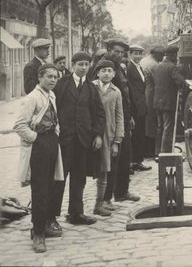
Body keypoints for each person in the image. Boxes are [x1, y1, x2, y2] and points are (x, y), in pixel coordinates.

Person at [48, 52, 106, 231]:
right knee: (59, 178)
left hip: (83, 140)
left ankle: (76, 213)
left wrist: (97, 135)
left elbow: (99, 113)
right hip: (64, 141)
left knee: (79, 178)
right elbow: (51, 107)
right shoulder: (62, 84)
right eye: (80, 64)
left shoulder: (91, 88)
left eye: (86, 64)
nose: (83, 67)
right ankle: (51, 217)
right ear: (73, 65)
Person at [13, 63, 64, 253]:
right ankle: (38, 232)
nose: (53, 80)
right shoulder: (32, 98)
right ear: (39, 77)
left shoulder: (51, 95)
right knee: (40, 190)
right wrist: (36, 139)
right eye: (49, 77)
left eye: (55, 77)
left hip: (51, 143)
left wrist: (55, 134)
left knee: (51, 187)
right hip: (39, 146)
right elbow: (19, 125)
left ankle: (45, 226)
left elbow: (54, 119)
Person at [104, 38, 140, 202]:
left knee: (126, 156)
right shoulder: (103, 68)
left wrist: (130, 115)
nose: (119, 55)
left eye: (121, 52)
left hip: (124, 118)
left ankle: (122, 192)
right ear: (109, 50)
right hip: (111, 121)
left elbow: (126, 93)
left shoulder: (120, 68)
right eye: (116, 52)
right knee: (112, 159)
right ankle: (106, 196)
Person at [92, 59, 124, 215]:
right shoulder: (91, 87)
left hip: (108, 135)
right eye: (103, 70)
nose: (106, 73)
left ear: (114, 74)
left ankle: (100, 203)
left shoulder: (116, 92)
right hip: (91, 133)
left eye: (109, 71)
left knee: (105, 168)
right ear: (97, 73)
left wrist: (117, 140)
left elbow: (119, 117)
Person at [153, 46, 185, 156]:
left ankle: (158, 152)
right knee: (168, 128)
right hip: (168, 103)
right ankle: (165, 154)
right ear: (172, 55)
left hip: (157, 102)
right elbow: (180, 81)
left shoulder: (158, 66)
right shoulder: (172, 67)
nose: (176, 57)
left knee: (160, 127)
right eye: (175, 55)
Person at [127, 44, 151, 171]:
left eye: (139, 54)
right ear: (130, 54)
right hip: (135, 106)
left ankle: (138, 161)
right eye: (135, 54)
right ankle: (131, 162)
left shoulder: (139, 67)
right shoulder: (129, 68)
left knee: (139, 134)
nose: (137, 56)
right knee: (134, 135)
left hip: (141, 105)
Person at [140, 45, 165, 157]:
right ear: (155, 54)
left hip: (144, 92)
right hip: (151, 94)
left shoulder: (144, 60)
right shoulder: (154, 65)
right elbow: (158, 82)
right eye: (161, 55)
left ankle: (145, 149)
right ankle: (150, 150)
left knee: (147, 122)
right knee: (152, 122)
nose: (163, 57)